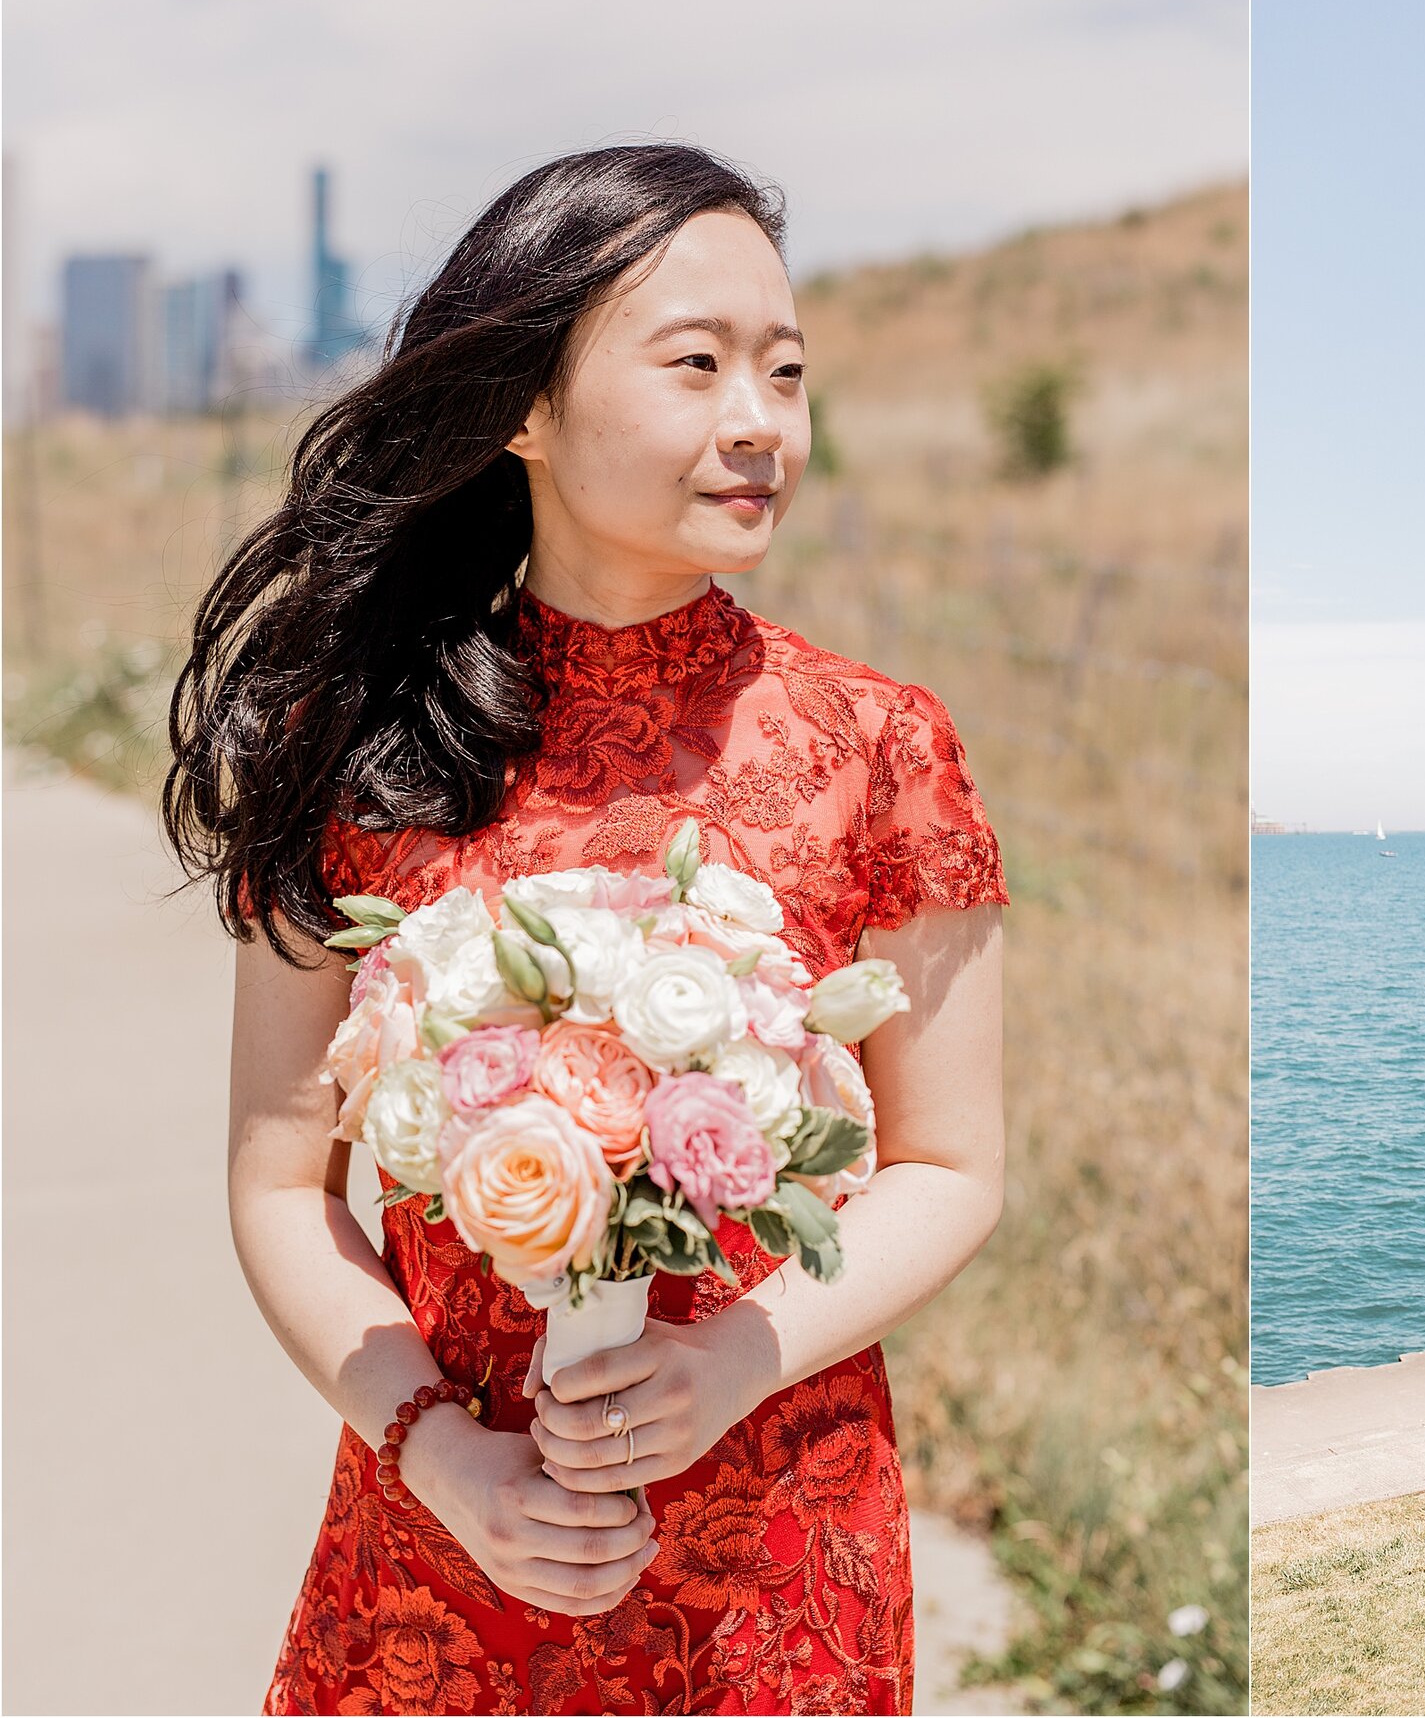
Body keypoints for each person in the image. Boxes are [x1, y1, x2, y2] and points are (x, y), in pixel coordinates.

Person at [170, 144, 1010, 1714]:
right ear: (525, 408)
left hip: (773, 1548)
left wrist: (732, 1364)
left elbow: (952, 1164)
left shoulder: (881, 745)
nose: (760, 420)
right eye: (696, 365)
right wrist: (448, 1459)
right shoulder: (353, 741)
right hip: (445, 1551)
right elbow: (283, 1181)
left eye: (787, 371)